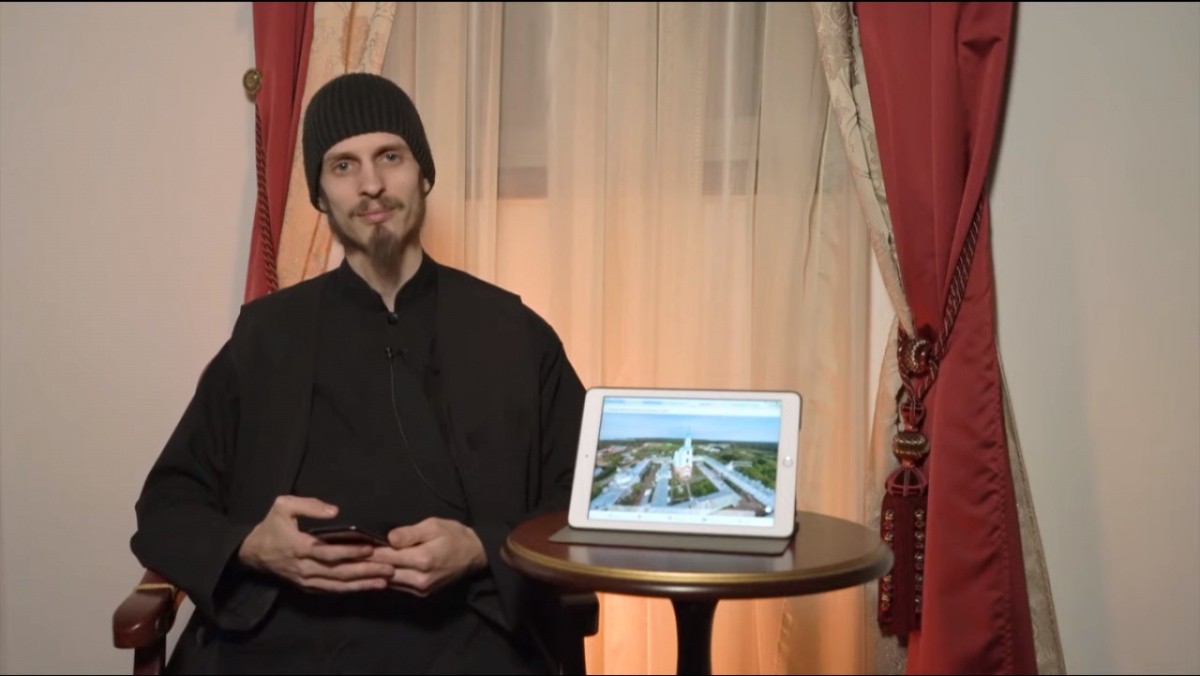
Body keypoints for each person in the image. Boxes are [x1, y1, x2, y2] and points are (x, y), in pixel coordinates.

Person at [130, 72, 586, 674]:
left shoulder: (513, 332)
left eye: (390, 157)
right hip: (280, 644)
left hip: (467, 639)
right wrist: (252, 545)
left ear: (423, 174)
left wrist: (482, 547)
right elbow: (168, 504)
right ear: (320, 195)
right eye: (343, 166)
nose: (371, 184)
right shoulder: (266, 335)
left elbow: (583, 503)